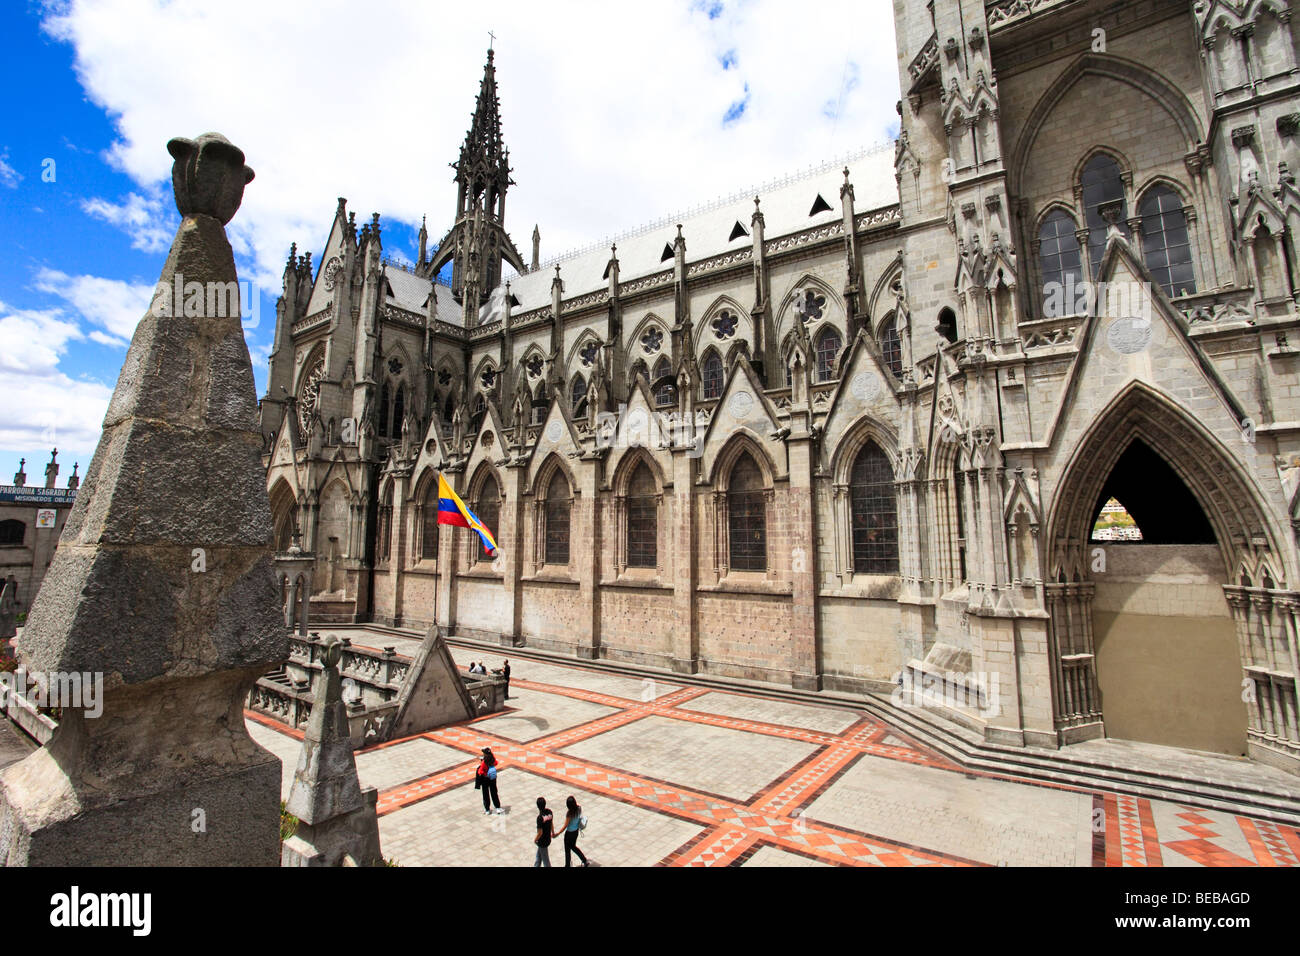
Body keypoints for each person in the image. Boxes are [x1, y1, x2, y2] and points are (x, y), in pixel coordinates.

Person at [561, 795, 589, 867]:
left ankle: (568, 865)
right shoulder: (579, 808)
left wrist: (557, 833)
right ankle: (584, 860)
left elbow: (565, 826)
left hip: (569, 833)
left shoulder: (569, 814)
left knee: (568, 850)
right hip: (575, 832)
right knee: (573, 847)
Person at [477, 747, 503, 815]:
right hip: (493, 778)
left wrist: (481, 766)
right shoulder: (492, 759)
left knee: (486, 794)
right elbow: (496, 763)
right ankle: (497, 807)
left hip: (485, 779)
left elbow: (480, 771)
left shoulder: (484, 762)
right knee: (494, 792)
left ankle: (487, 809)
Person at [534, 796, 555, 867]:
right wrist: (553, 832)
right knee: (538, 857)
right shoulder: (550, 812)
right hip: (547, 838)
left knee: (546, 861)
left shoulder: (540, 818)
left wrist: (535, 839)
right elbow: (551, 823)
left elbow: (540, 832)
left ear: (537, 806)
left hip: (542, 841)